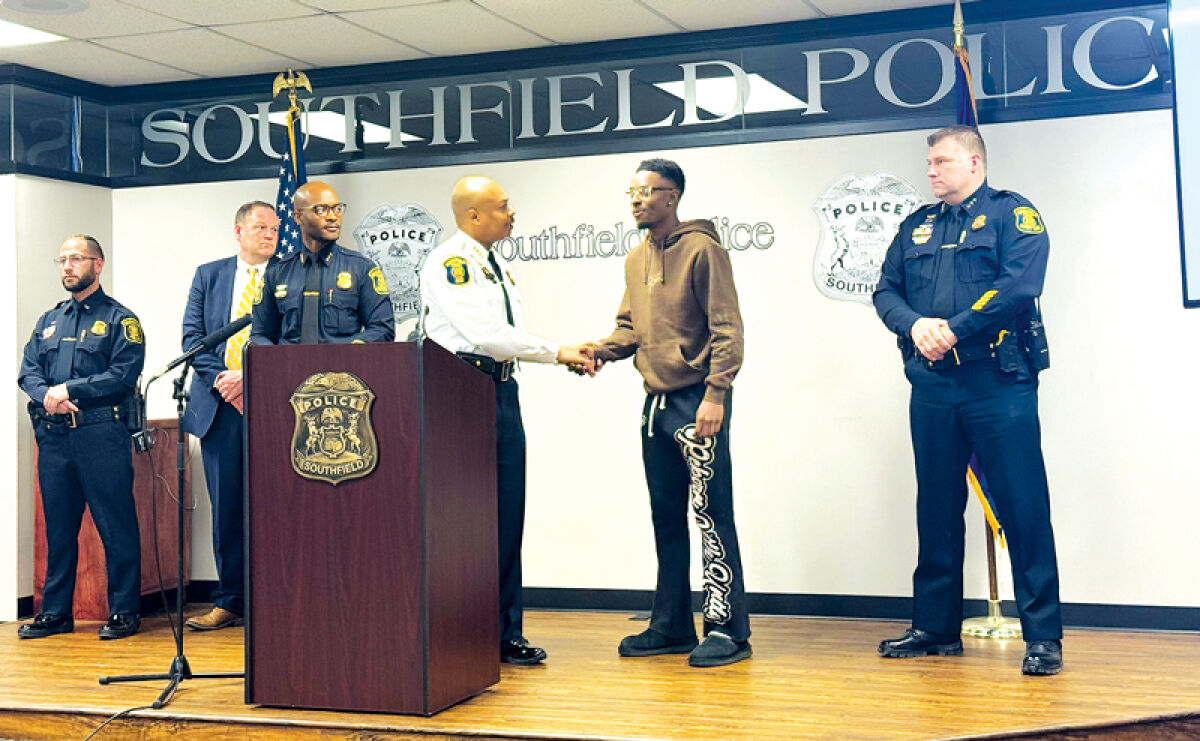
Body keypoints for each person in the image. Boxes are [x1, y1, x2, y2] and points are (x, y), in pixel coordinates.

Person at [872, 125, 1062, 676]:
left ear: (974, 163)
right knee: (935, 507)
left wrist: (954, 328)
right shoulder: (915, 226)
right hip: (933, 385)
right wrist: (917, 325)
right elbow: (885, 290)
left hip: (997, 384)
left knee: (1024, 508)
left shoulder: (1012, 215)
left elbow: (1019, 285)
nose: (930, 171)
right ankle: (935, 628)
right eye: (929, 163)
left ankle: (1043, 636)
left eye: (941, 161)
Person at [420, 175, 594, 665]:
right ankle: (459, 631)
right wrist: (557, 352)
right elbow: (487, 334)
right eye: (502, 205)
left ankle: (504, 632)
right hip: (461, 394)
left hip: (499, 389)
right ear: (473, 216)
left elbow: (501, 340)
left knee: (505, 514)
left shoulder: (491, 262)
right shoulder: (452, 262)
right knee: (463, 519)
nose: (511, 212)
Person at [587, 158, 751, 668]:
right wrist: (597, 350)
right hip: (654, 406)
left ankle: (727, 631)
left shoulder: (704, 250)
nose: (636, 200)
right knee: (666, 517)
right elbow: (628, 328)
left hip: (695, 402)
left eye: (646, 192)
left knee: (710, 514)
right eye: (631, 193)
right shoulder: (636, 258)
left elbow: (727, 328)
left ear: (672, 196)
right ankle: (673, 624)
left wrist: (716, 395)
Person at [17, 235, 145, 640]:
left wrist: (70, 390)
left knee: (116, 525)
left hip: (99, 434)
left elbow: (122, 374)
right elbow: (28, 371)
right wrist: (45, 395)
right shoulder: (48, 320)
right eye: (62, 260)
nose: (67, 266)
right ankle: (55, 613)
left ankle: (125, 611)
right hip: (54, 437)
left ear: (98, 264)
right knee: (59, 529)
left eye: (76, 259)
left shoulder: (121, 320)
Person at [180, 201, 279, 631]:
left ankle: (279, 596)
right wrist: (225, 379)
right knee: (228, 509)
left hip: (275, 404)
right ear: (238, 231)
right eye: (260, 227)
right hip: (220, 408)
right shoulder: (210, 275)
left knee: (279, 505)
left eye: (275, 229)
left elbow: (292, 336)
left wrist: (253, 377)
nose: (270, 235)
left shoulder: (288, 275)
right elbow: (193, 338)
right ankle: (231, 600)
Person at [251, 181, 394, 344]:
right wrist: (278, 360)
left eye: (337, 209)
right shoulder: (277, 272)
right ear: (298, 217)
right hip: (289, 366)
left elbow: (383, 328)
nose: (333, 217)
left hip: (343, 366)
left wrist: (353, 350)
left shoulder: (361, 268)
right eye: (321, 210)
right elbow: (260, 334)